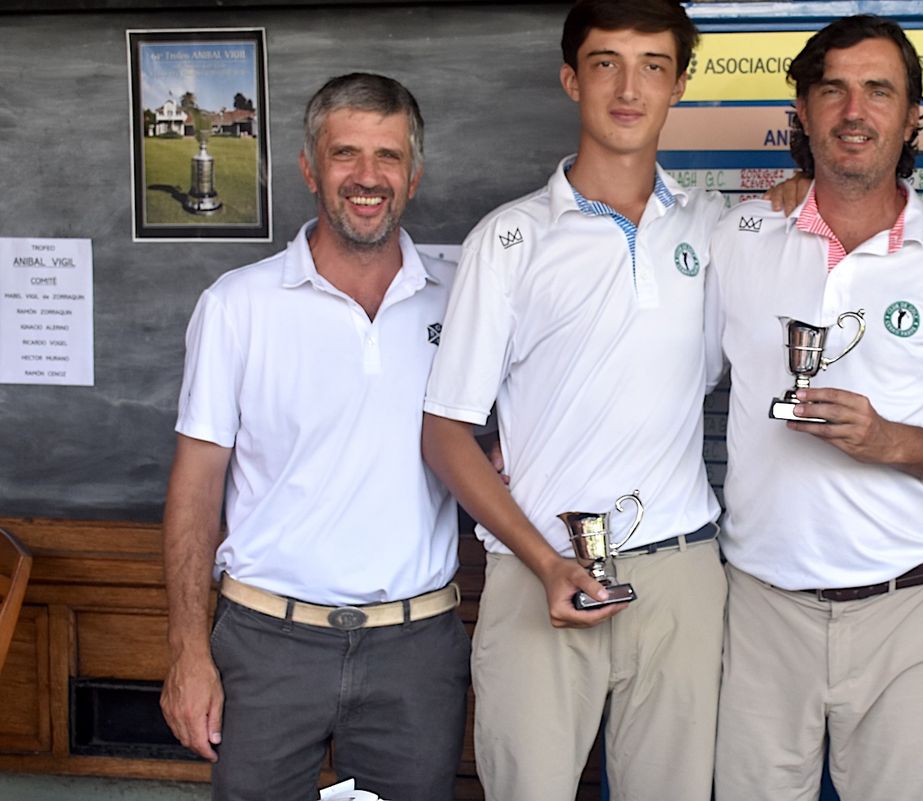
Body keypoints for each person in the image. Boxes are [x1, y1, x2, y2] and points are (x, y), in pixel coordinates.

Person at [420, 2, 725, 798]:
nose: (630, 87)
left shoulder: (718, 227)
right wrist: (544, 560)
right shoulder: (509, 238)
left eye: (653, 65)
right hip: (537, 569)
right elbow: (447, 434)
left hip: (683, 575)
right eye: (605, 63)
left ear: (679, 85)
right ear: (570, 78)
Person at [705, 15, 923, 801]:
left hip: (905, 614)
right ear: (801, 111)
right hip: (758, 609)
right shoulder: (736, 237)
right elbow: (663, 376)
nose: (854, 110)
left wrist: (888, 441)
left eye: (879, 90)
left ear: (913, 116)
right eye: (832, 89)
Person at [159, 73, 469, 801]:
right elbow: (195, 485)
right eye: (345, 154)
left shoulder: (461, 301)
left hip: (416, 647)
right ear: (309, 168)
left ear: (414, 175)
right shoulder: (237, 305)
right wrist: (185, 652)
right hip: (267, 643)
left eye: (388, 157)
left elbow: (497, 445)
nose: (368, 177)